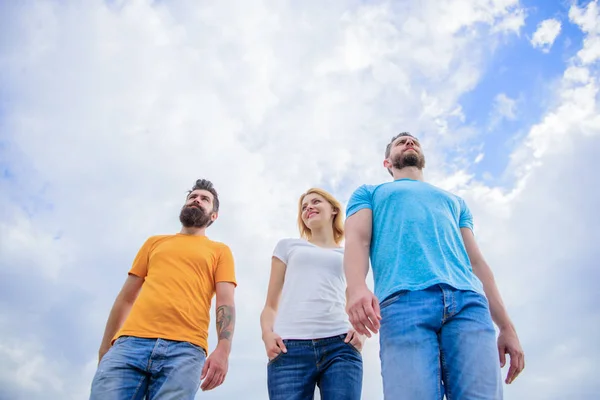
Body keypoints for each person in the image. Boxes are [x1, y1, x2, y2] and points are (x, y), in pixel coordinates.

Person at [344, 133, 525, 399]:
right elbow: (357, 239)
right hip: (404, 303)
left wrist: (507, 327)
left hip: (469, 304)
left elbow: (477, 262)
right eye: (400, 142)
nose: (409, 143)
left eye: (413, 141)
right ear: (387, 163)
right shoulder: (370, 193)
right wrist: (357, 287)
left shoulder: (455, 202)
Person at [90, 179, 237, 400]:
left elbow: (225, 301)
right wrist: (104, 349)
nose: (196, 200)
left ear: (213, 215)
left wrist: (223, 349)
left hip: (186, 350)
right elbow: (125, 299)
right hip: (129, 345)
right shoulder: (154, 243)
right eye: (192, 197)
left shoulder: (220, 251)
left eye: (204, 199)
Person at [260, 188, 364, 400]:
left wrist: (360, 332)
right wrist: (267, 335)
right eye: (304, 207)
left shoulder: (347, 254)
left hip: (340, 347)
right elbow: (271, 305)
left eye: (316, 202)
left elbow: (355, 300)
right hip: (289, 349)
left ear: (334, 209)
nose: (309, 208)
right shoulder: (287, 246)